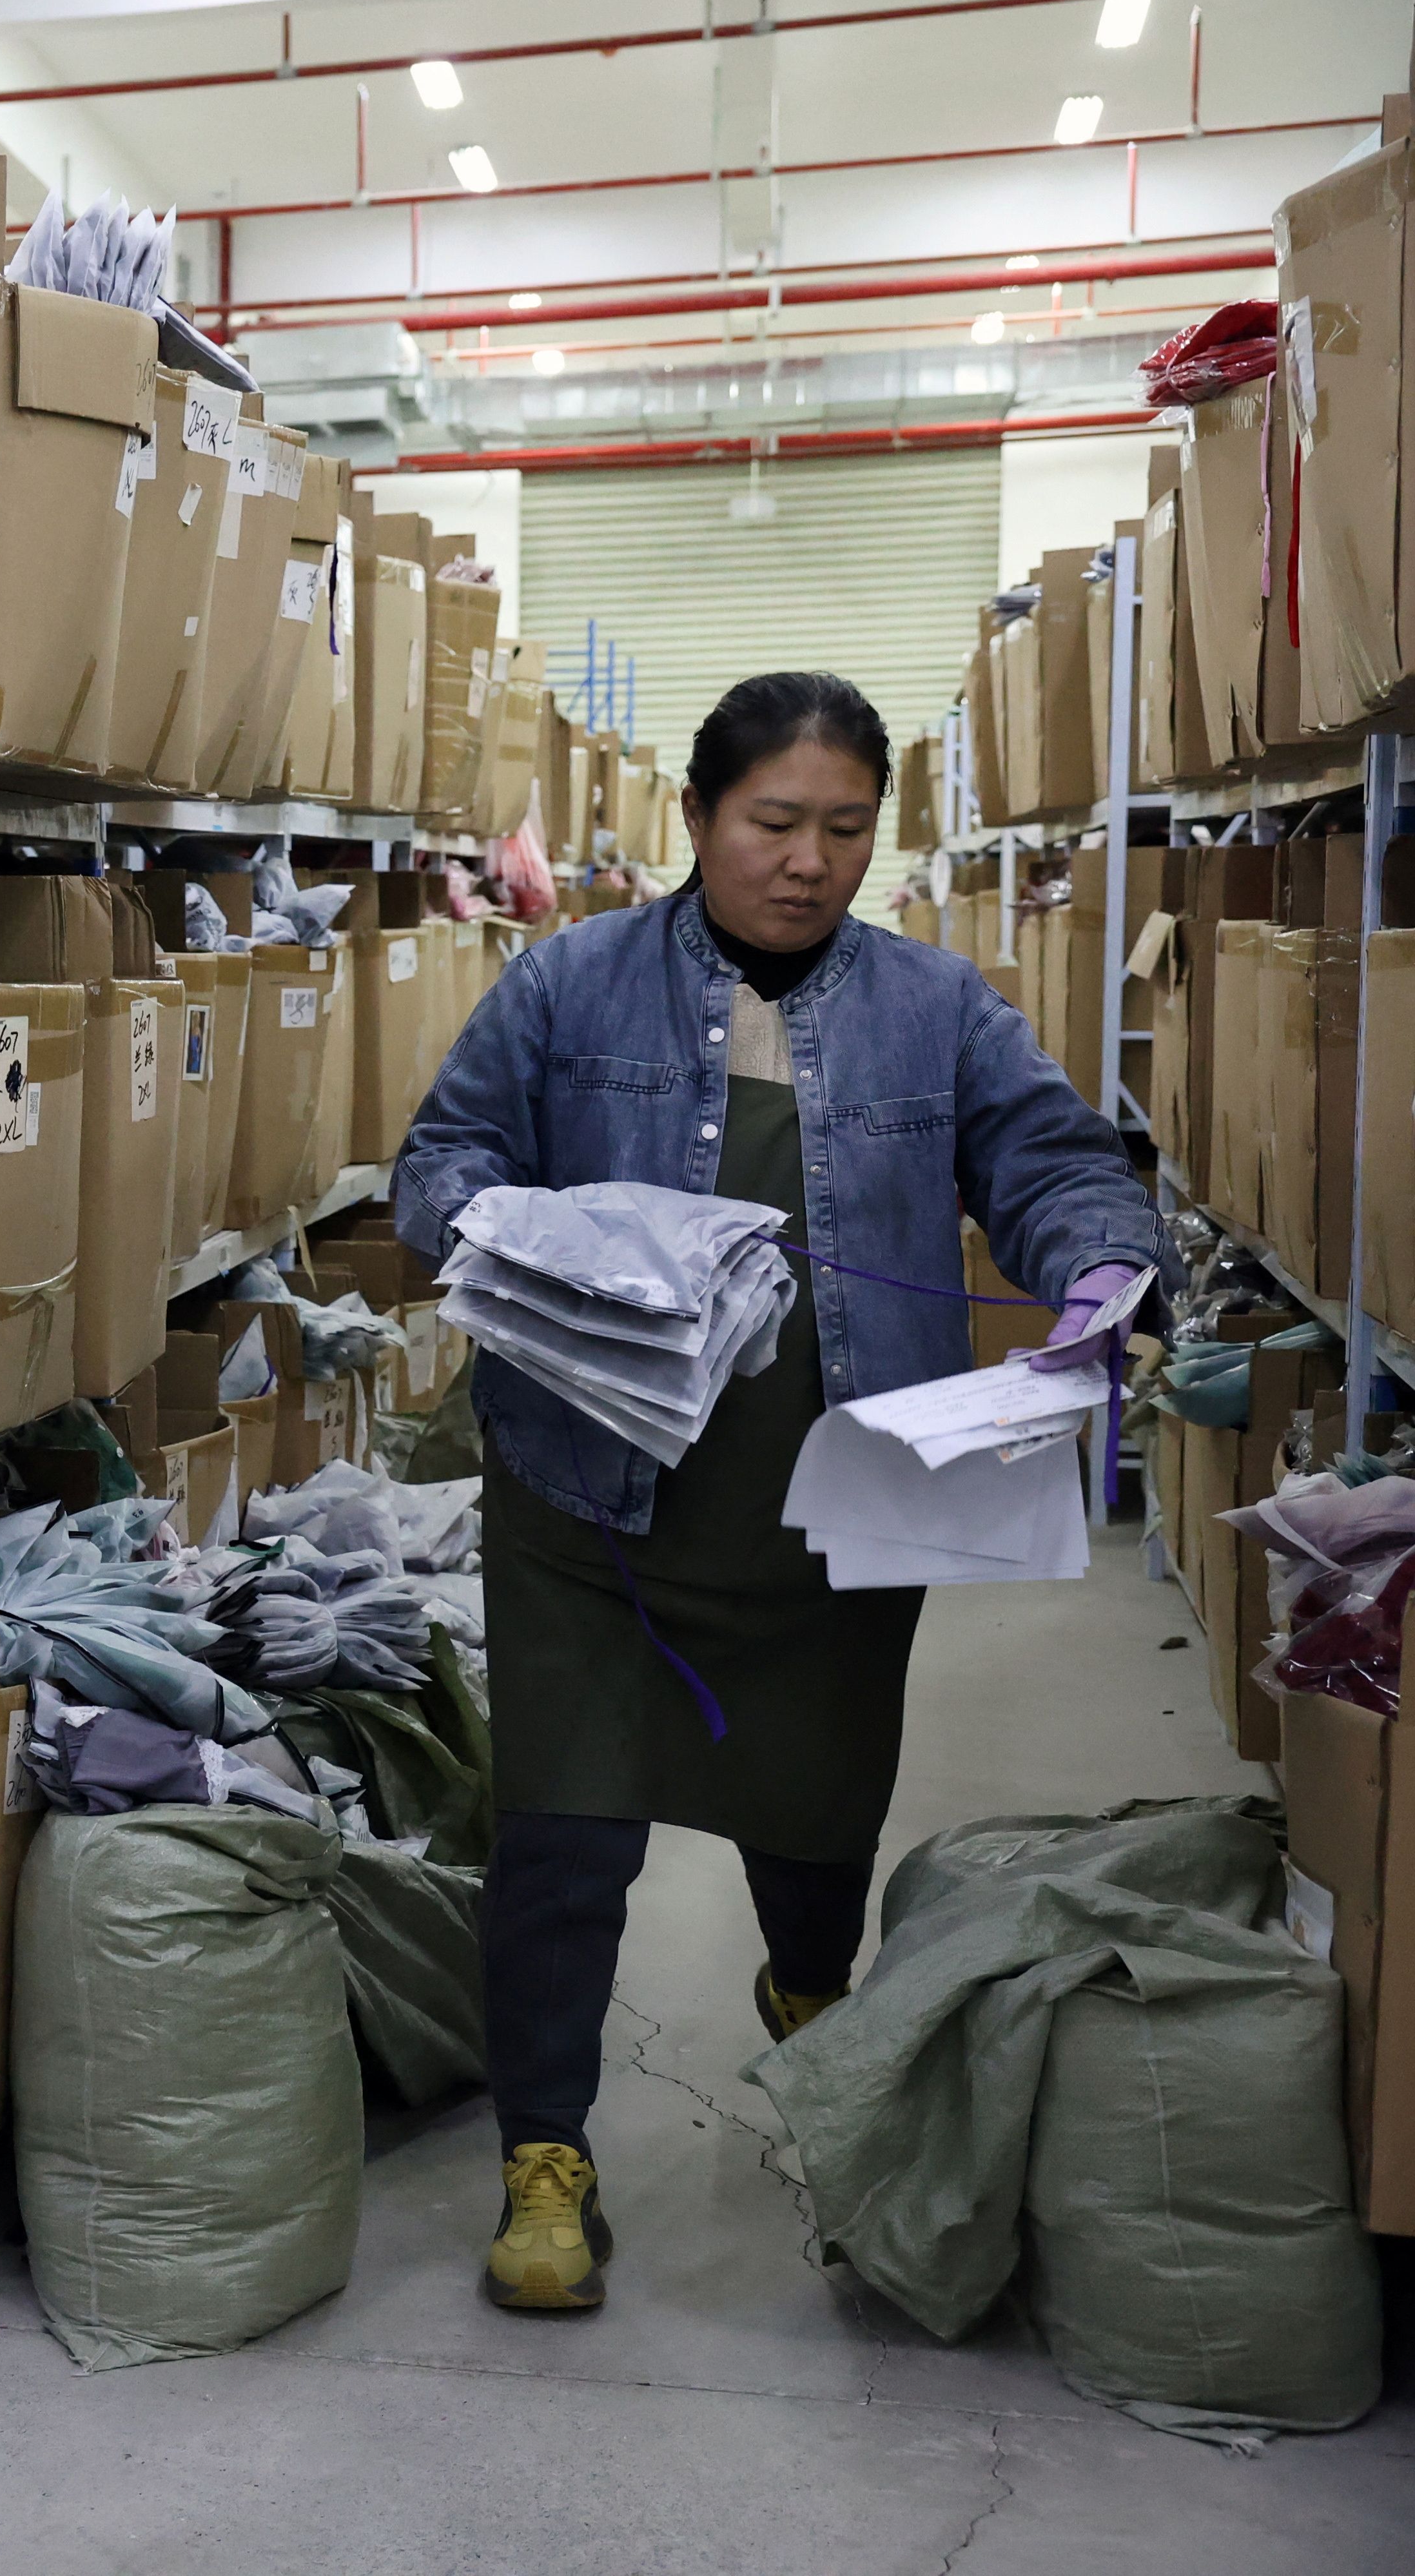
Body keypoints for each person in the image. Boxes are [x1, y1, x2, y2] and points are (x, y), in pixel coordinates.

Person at [393, 673, 1166, 2317]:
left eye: (843, 829)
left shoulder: (934, 1007)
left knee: (815, 1834)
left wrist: (1102, 1265)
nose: (809, 862)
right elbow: (441, 1160)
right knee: (561, 1838)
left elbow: (1048, 1159)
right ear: (695, 817)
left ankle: (815, 2021)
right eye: (772, 824)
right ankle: (548, 2160)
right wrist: (539, 1243)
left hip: (827, 1514)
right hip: (589, 1502)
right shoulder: (566, 986)